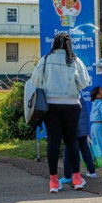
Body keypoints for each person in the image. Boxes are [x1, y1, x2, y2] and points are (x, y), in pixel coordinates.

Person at [32, 32, 91, 193]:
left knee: (53, 142)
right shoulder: (74, 60)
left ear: (54, 44)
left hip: (51, 106)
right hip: (71, 105)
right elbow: (84, 83)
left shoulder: (45, 60)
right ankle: (77, 179)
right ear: (68, 45)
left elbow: (36, 81)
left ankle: (53, 181)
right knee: (71, 141)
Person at [60, 97, 97, 185]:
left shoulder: (70, 100)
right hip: (83, 131)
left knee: (68, 153)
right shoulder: (81, 100)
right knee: (85, 151)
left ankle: (67, 176)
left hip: (74, 131)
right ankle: (92, 171)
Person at [89, 86, 102, 166]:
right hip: (100, 125)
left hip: (93, 126)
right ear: (98, 95)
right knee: (101, 144)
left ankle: (97, 162)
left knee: (95, 145)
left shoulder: (94, 103)